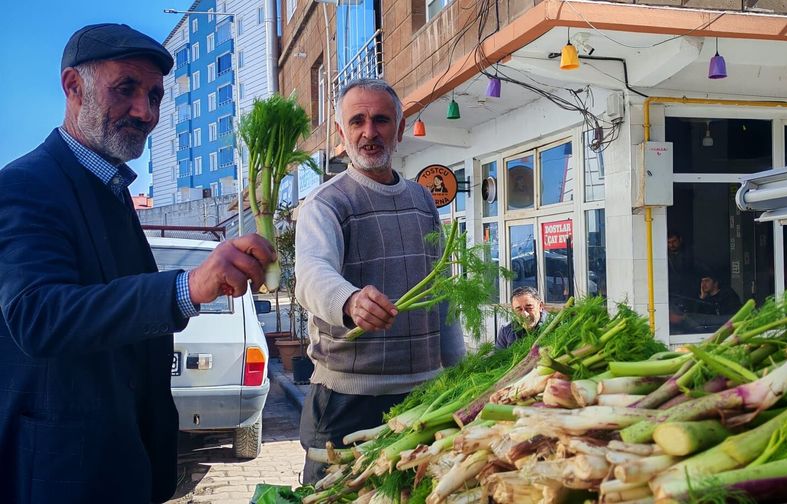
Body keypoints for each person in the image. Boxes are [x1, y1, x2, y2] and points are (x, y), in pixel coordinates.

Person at [0, 24, 275, 504]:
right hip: (62, 474)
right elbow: (38, 314)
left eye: (154, 95)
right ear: (72, 87)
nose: (145, 111)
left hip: (125, 463)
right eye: (125, 88)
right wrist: (185, 288)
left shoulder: (110, 191)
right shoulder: (25, 185)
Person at [294, 78, 465, 484]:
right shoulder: (327, 202)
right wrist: (350, 301)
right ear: (342, 133)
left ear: (399, 129)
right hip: (348, 397)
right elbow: (311, 275)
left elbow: (441, 291)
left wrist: (460, 372)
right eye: (357, 121)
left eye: (381, 120)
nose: (369, 132)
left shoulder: (423, 200)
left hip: (425, 395)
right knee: (336, 491)